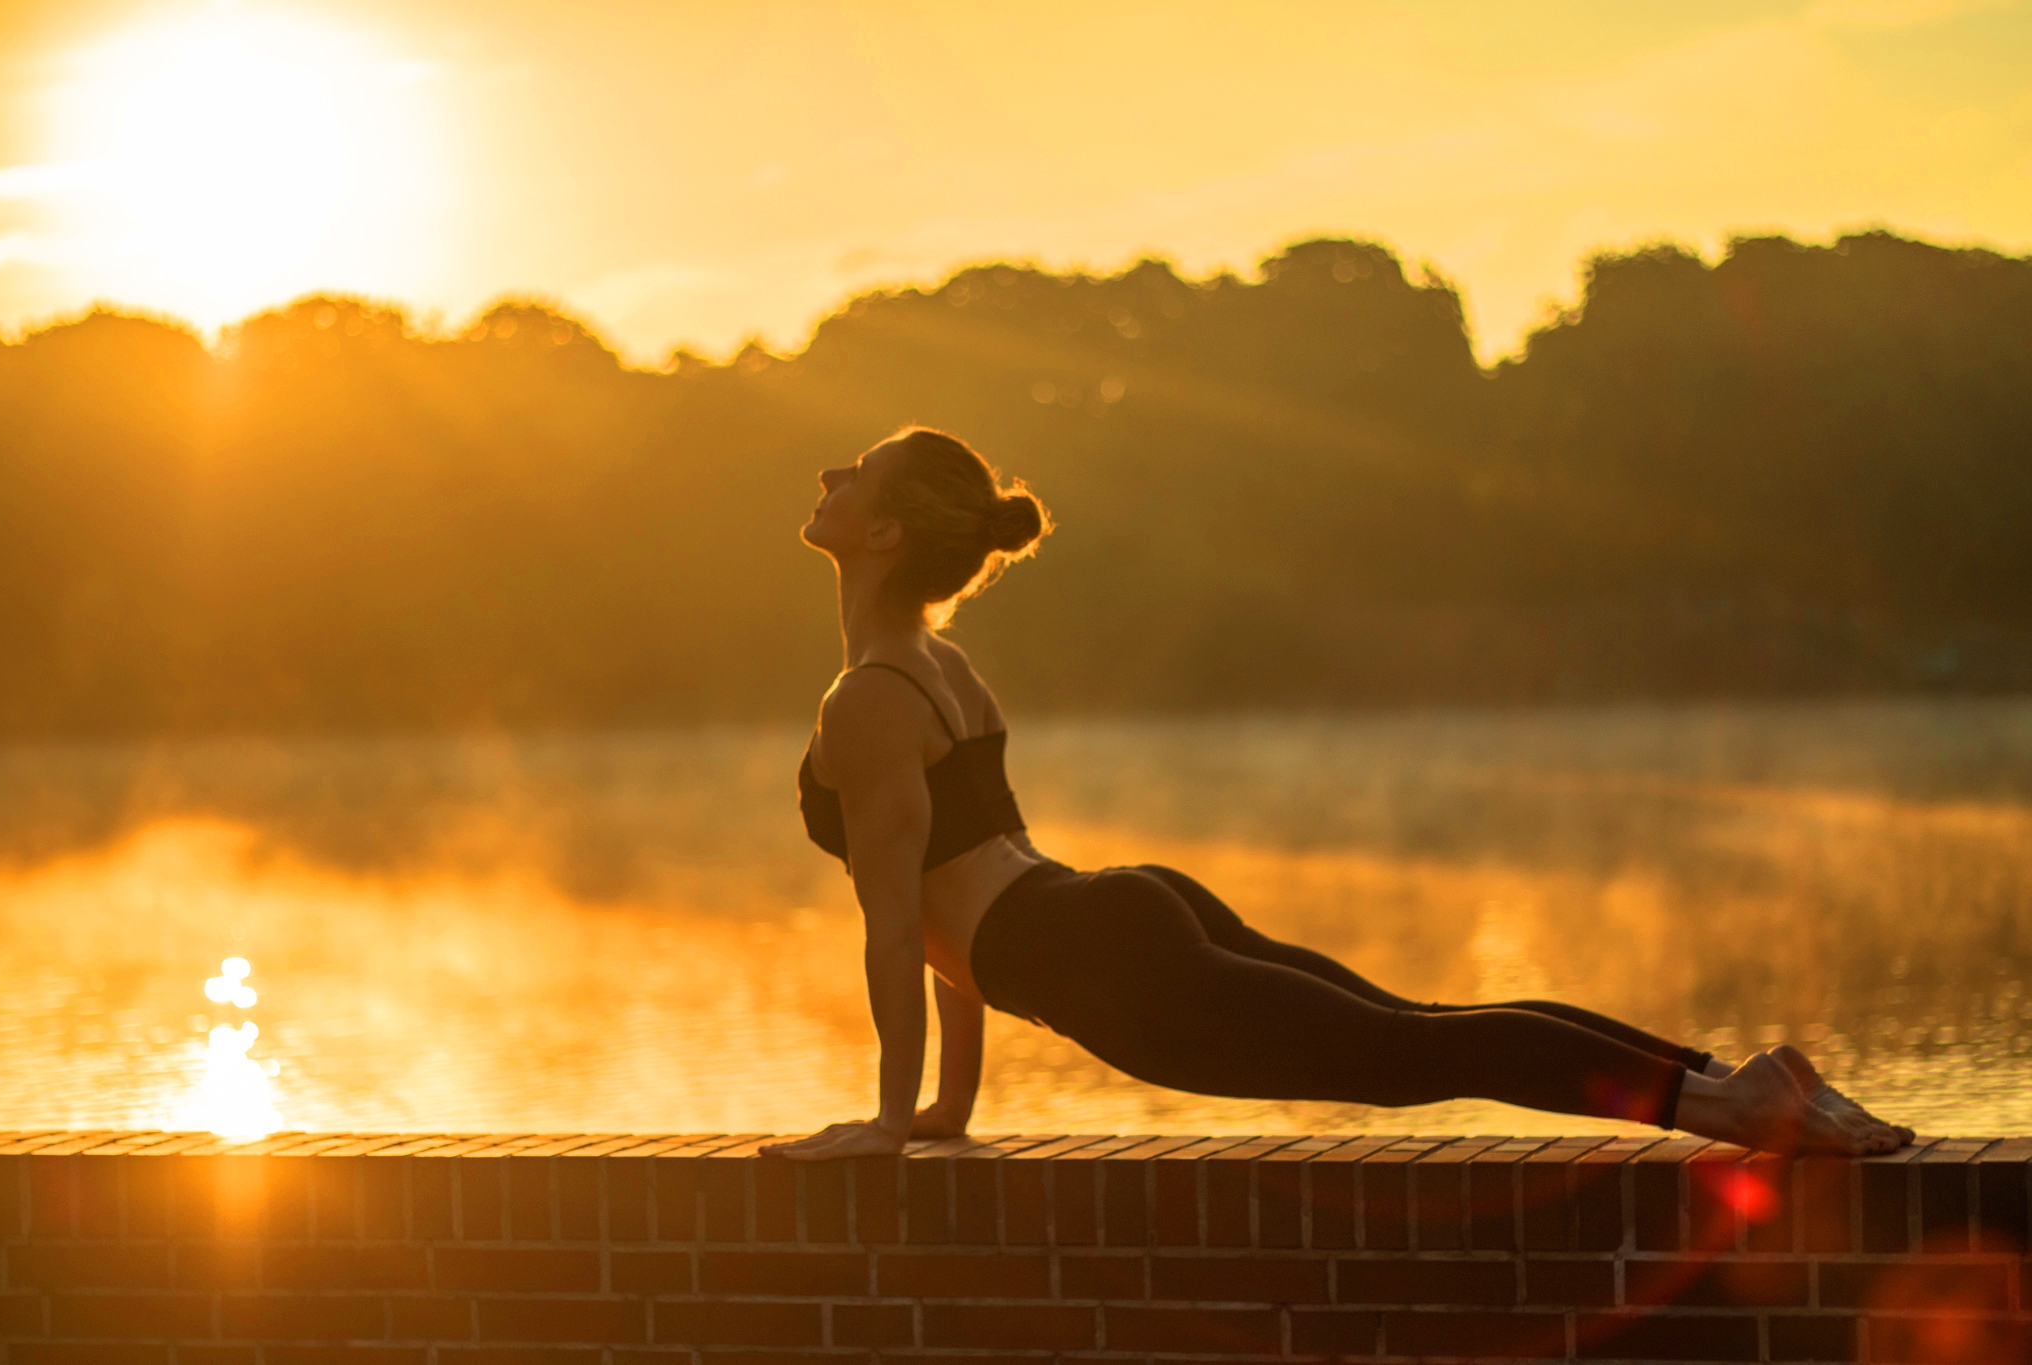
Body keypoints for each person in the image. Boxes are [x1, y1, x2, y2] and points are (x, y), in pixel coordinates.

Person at [761, 427, 1912, 1161]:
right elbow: (946, 902)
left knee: (1412, 1055)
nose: (828, 477)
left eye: (852, 475)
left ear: (884, 531)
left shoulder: (867, 698)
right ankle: (1726, 1083)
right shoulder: (943, 671)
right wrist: (945, 1113)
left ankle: (1723, 1106)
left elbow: (898, 924)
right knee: (1418, 1034)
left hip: (1093, 957)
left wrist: (879, 1125)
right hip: (1103, 911)